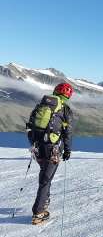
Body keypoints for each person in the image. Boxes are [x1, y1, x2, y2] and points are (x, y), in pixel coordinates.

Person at [26, 83, 74, 225]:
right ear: (68, 95)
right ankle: (38, 213)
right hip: (52, 148)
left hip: (37, 146)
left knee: (44, 173)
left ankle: (44, 201)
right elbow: (68, 132)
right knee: (46, 180)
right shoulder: (64, 109)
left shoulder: (41, 105)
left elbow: (30, 124)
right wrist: (67, 150)